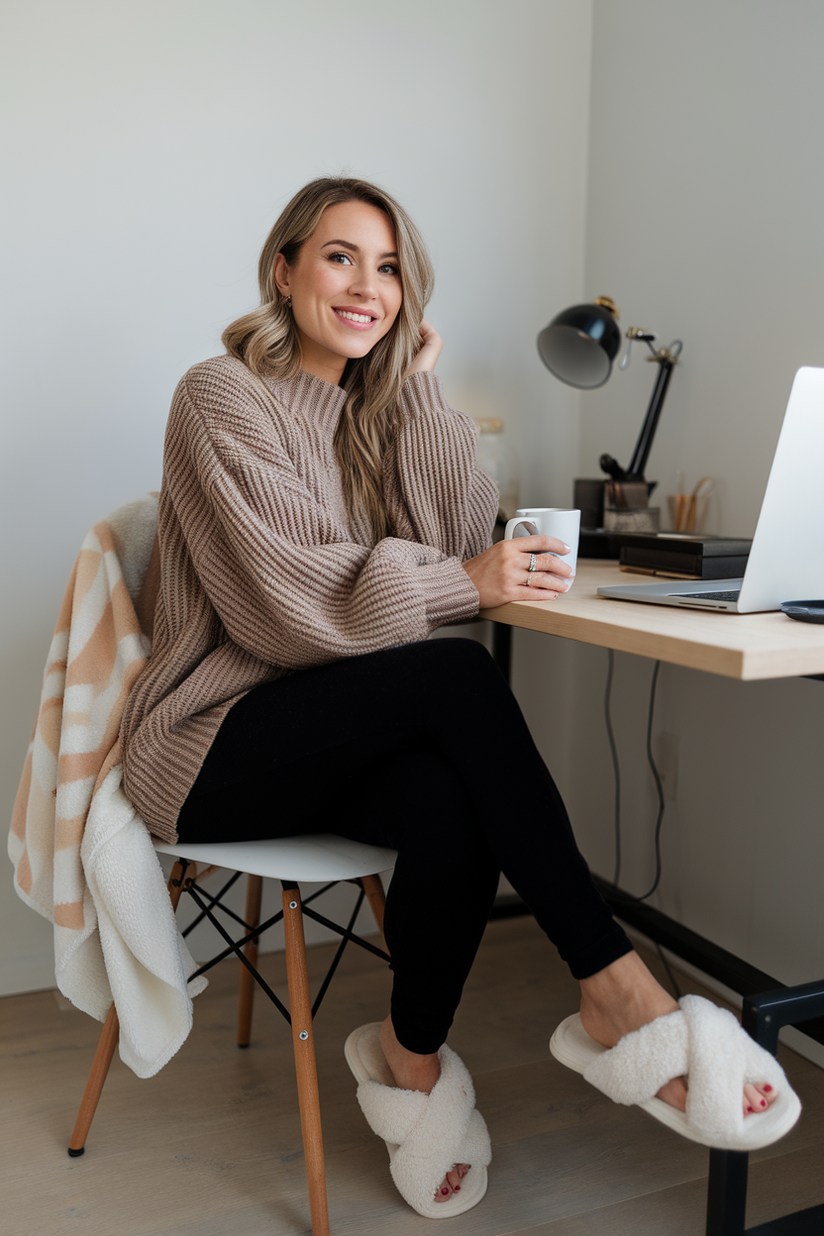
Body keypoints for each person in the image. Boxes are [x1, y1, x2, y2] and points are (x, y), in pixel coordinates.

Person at [119, 176, 787, 1217]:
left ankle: (408, 1056)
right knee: (455, 678)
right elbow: (287, 611)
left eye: (388, 268)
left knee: (450, 795)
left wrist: (420, 394)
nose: (366, 286)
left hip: (324, 731)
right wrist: (460, 580)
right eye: (340, 256)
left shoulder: (373, 411)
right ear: (283, 268)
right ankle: (615, 988)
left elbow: (456, 542)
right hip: (210, 744)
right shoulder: (219, 395)